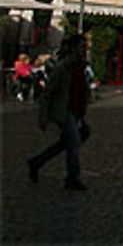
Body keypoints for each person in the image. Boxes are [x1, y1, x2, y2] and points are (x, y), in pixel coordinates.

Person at [27, 35, 91, 191]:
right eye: (82, 47)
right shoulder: (63, 67)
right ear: (73, 48)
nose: (85, 50)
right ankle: (72, 178)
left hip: (75, 111)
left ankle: (36, 162)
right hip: (65, 111)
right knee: (74, 143)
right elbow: (48, 93)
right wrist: (43, 117)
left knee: (66, 143)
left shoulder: (81, 66)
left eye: (85, 47)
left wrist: (83, 110)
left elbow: (82, 90)